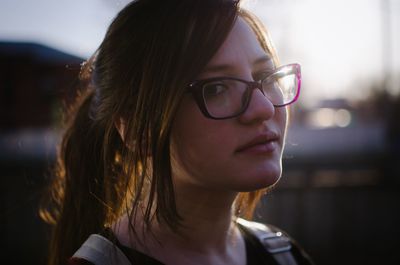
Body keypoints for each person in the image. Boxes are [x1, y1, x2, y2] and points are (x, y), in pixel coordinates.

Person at [41, 0, 313, 264]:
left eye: (264, 75)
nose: (263, 108)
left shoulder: (284, 254)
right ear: (137, 129)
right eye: (217, 88)